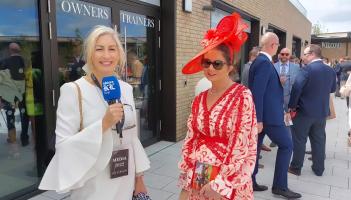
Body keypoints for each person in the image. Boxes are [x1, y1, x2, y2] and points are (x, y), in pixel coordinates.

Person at [39, 25, 150, 199]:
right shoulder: (73, 90)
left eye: (112, 49)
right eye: (99, 49)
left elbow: (132, 137)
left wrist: (139, 176)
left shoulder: (125, 89)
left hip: (124, 177)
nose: (106, 55)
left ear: (119, 54)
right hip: (93, 183)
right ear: (90, 54)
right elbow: (63, 146)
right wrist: (103, 124)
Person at [178, 13, 257, 200]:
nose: (210, 68)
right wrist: (187, 172)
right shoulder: (200, 99)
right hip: (199, 174)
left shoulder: (242, 96)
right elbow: (191, 138)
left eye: (217, 64)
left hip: (228, 180)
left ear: (230, 66)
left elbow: (242, 145)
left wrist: (221, 184)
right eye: (207, 62)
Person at [248, 32, 301, 199]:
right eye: (278, 45)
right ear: (272, 44)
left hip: (264, 116)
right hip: (268, 117)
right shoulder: (264, 62)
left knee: (255, 149)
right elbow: (258, 93)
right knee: (287, 146)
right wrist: (259, 120)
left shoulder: (260, 61)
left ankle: (250, 182)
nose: (278, 49)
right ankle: (279, 186)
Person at [288, 44, 336, 177]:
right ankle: (319, 169)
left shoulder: (306, 70)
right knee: (319, 140)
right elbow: (332, 89)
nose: (302, 57)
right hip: (321, 112)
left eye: (305, 54)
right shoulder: (330, 70)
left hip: (304, 112)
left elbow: (296, 89)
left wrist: (292, 106)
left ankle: (296, 167)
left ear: (312, 54)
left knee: (299, 140)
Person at [0, 42, 29, 146]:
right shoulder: (25, 62)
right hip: (23, 95)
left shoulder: (4, 62)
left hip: (9, 96)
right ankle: (24, 139)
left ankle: (13, 142)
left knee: (10, 118)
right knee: (24, 116)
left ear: (10, 50)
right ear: (19, 50)